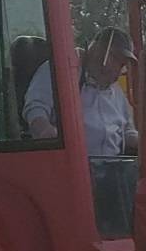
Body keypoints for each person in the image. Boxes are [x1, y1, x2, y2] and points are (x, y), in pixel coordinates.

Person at [22, 26, 139, 156]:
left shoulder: (116, 92)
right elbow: (36, 108)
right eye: (116, 60)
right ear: (99, 50)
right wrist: (44, 131)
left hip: (112, 169)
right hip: (70, 165)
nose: (117, 72)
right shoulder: (61, 71)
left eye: (122, 65)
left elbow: (128, 131)